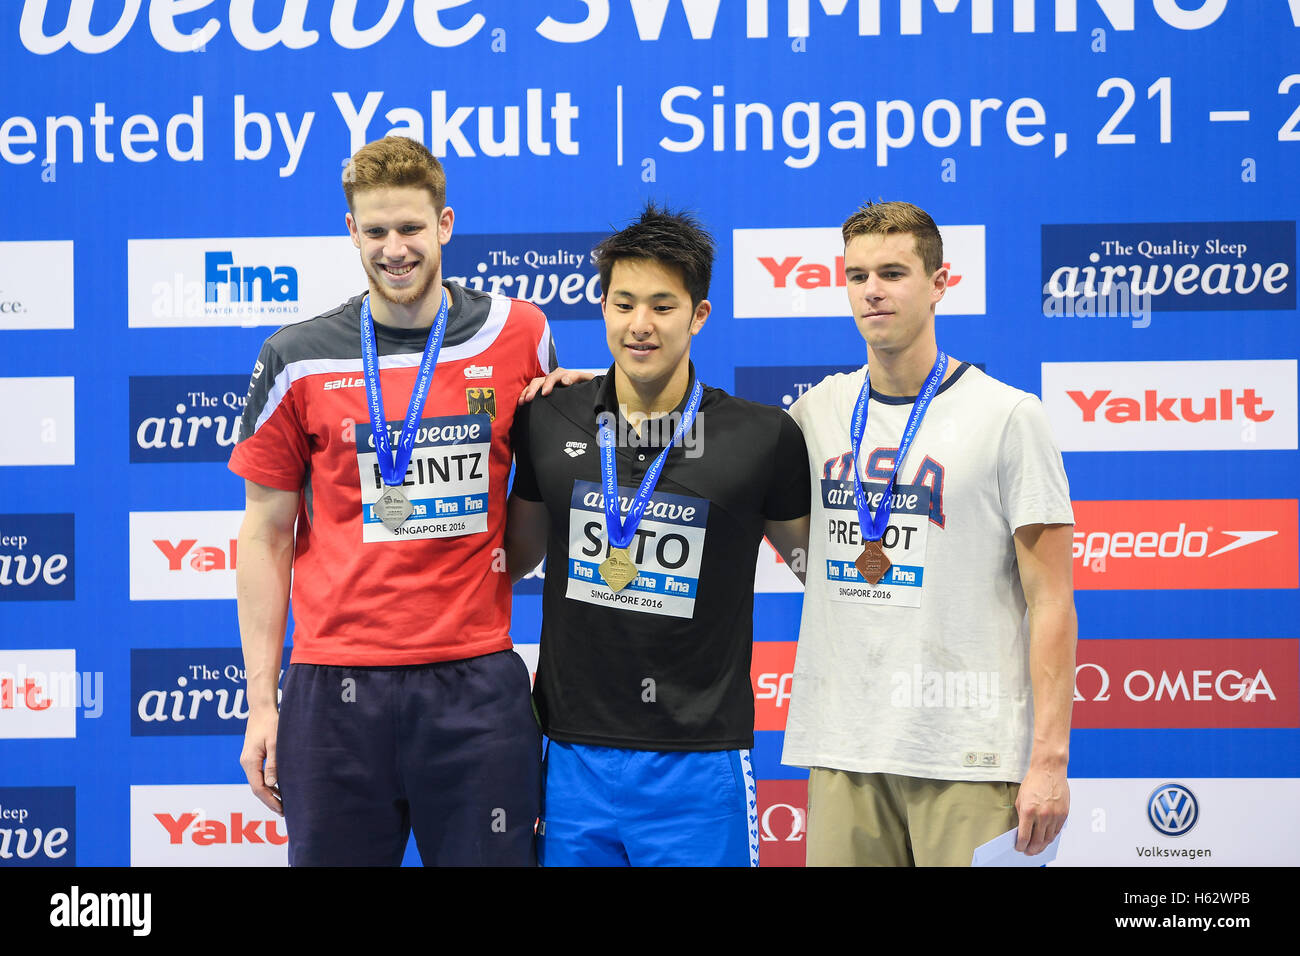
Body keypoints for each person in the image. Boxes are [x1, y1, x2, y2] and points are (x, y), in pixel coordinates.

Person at [230, 135, 580, 866]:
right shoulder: (296, 356)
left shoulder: (522, 333)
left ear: (445, 224)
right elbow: (264, 535)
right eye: (377, 230)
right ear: (350, 232)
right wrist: (263, 704)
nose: (396, 248)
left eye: (412, 228)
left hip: (475, 685)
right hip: (333, 689)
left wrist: (585, 410)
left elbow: (540, 497)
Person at [505, 203, 811, 867]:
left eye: (663, 306)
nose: (640, 325)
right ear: (604, 307)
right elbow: (513, 555)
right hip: (571, 756)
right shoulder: (549, 419)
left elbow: (824, 572)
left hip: (698, 764)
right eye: (624, 303)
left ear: (699, 315)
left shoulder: (762, 438)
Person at [781, 200, 1077, 866]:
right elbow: (705, 450)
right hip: (844, 750)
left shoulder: (1008, 417)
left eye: (893, 272)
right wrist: (585, 390)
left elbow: (1052, 599)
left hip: (968, 753)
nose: (872, 291)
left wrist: (1049, 762)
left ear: (941, 283)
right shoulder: (815, 412)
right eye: (857, 276)